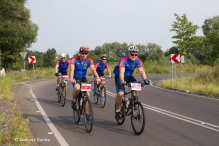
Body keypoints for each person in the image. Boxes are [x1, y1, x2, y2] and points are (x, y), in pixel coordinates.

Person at [113, 46, 151, 120]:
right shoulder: (123, 60)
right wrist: (121, 80)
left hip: (129, 76)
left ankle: (132, 104)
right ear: (128, 53)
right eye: (132, 54)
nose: (134, 56)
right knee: (120, 94)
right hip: (119, 76)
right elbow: (121, 72)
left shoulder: (138, 61)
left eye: (135, 55)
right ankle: (117, 111)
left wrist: (145, 79)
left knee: (137, 89)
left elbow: (141, 71)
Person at [70, 46, 101, 118]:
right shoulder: (74, 60)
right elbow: (71, 70)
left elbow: (93, 69)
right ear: (80, 53)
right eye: (82, 53)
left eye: (86, 53)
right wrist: (71, 78)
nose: (84, 55)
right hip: (75, 78)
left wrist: (97, 77)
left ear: (87, 54)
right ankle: (74, 101)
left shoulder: (89, 60)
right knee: (77, 88)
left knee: (87, 95)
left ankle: (86, 113)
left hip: (83, 78)